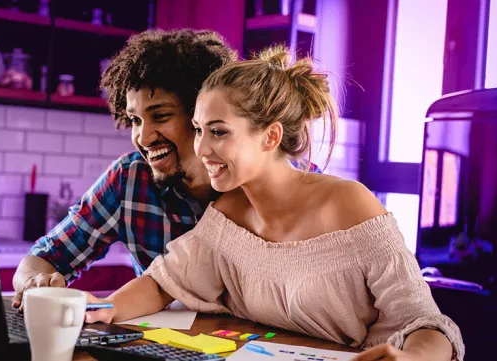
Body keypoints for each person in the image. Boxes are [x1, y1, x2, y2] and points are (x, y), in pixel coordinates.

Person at [84, 46, 465, 361]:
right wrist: (108, 308)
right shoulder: (228, 214)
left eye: (218, 131)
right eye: (199, 130)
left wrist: (411, 359)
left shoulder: (349, 204)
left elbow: (428, 325)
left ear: (270, 137)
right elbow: (164, 282)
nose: (201, 148)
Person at [12, 29, 318, 309]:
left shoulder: (269, 184)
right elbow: (44, 257)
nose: (142, 138)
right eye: (134, 120)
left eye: (160, 115)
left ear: (201, 114)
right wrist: (35, 283)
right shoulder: (130, 179)